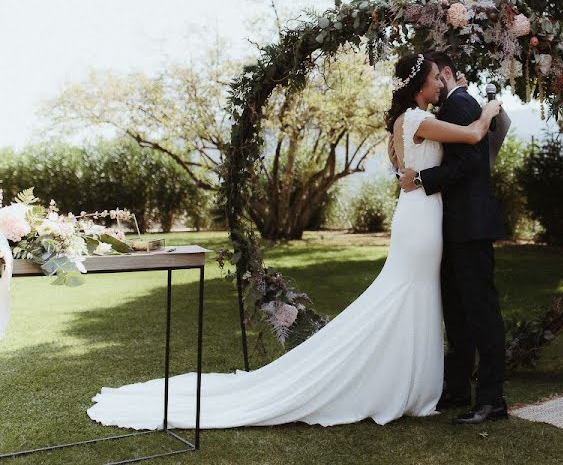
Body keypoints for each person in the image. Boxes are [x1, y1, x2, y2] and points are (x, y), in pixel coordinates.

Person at [86, 53, 501, 430]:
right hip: (422, 222)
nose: (439, 86)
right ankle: (404, 384)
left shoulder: (405, 121)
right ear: (419, 86)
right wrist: (490, 109)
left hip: (419, 216)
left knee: (416, 295)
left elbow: (402, 166)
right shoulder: (417, 119)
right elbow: (474, 135)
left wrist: (414, 176)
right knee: (408, 294)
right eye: (434, 80)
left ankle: (421, 384)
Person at [399, 50, 509, 425]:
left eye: (438, 77)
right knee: (457, 313)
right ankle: (459, 387)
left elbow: (470, 162)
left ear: (445, 73)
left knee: (481, 314)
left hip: (471, 226)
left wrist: (423, 179)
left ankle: (492, 400)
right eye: (431, 79)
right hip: (449, 227)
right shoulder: (443, 110)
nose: (438, 84)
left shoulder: (460, 104)